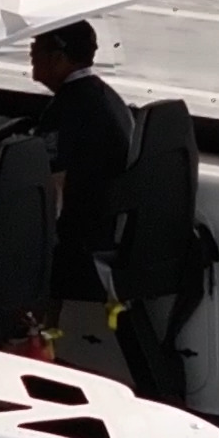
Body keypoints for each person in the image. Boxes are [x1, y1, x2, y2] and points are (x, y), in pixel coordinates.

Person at [27, 21, 136, 292]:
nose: (31, 53)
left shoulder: (65, 109)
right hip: (110, 231)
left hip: (83, 240)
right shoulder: (106, 96)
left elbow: (52, 189)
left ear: (58, 58)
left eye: (36, 47)